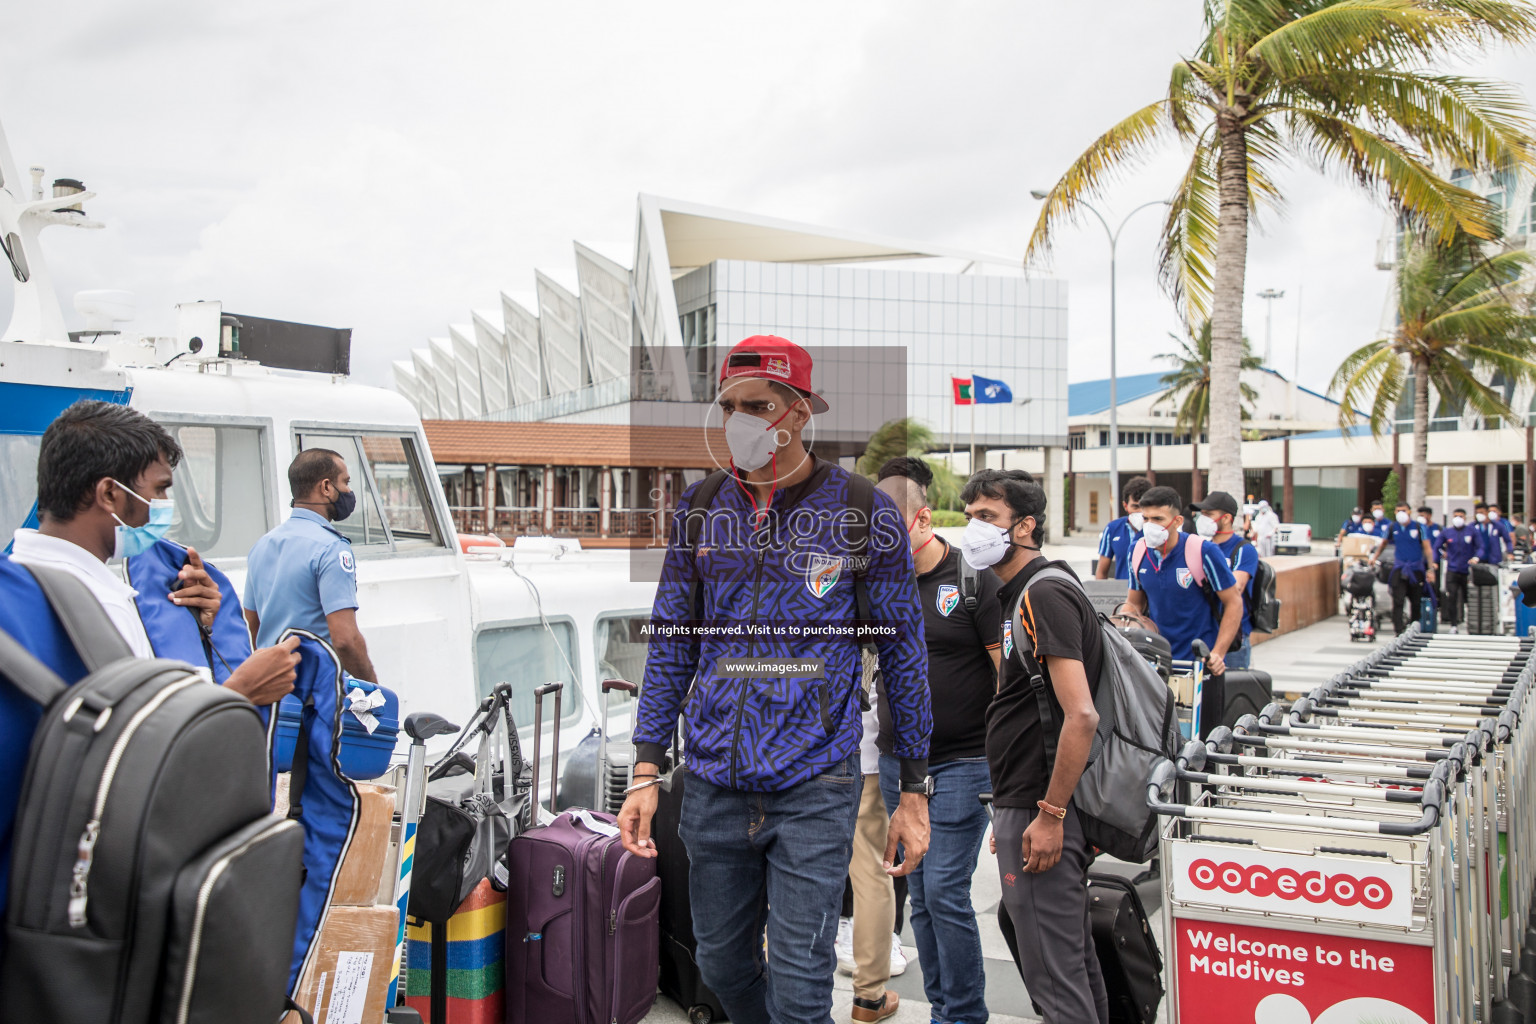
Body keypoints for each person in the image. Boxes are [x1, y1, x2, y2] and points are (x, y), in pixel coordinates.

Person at [618, 335, 932, 1024]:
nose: (738, 420)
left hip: (814, 782)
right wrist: (645, 766)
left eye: (755, 405)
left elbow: (903, 652)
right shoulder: (700, 508)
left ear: (797, 412)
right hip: (711, 782)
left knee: (800, 977)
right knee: (722, 961)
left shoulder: (860, 510)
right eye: (729, 406)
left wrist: (914, 788)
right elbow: (672, 641)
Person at [0, 400, 300, 943]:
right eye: (159, 490)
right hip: (71, 926)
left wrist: (208, 626)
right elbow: (134, 770)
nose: (163, 506)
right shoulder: (94, 605)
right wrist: (238, 693)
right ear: (110, 494)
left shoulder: (22, 581)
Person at [964, 468, 1108, 1023]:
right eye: (972, 515)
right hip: (1026, 800)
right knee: (1068, 961)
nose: (975, 528)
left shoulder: (1043, 592)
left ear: (1024, 526)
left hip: (1042, 804)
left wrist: (1046, 814)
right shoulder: (1025, 590)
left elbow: (1081, 714)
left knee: (1053, 973)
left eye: (988, 518)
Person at [869, 462, 1003, 1024]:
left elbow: (1008, 680)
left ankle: (963, 1015)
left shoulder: (972, 581)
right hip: (900, 764)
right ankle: (945, 1008)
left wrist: (1017, 777)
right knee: (919, 897)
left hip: (965, 761)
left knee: (946, 890)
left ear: (923, 519)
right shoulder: (878, 582)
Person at [244, 448, 378, 682]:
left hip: (274, 691)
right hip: (317, 697)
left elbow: (253, 625)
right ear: (326, 487)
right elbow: (345, 639)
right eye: (345, 482)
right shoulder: (332, 548)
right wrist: (374, 690)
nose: (348, 491)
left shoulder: (262, 545)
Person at [1124, 486, 1243, 679]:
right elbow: (1134, 604)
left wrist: (1218, 653)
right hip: (1154, 665)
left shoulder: (1204, 551)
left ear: (1177, 521)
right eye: (1146, 518)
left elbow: (1234, 602)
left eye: (1158, 519)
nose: (1149, 525)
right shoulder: (1136, 552)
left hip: (1199, 665)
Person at [1192, 491, 1258, 670]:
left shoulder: (1243, 550)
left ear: (1227, 518)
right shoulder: (1199, 547)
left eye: (1209, 514)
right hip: (1205, 632)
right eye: (1202, 514)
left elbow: (1236, 587)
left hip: (1234, 635)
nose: (1203, 518)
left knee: (1232, 689)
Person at [1370, 502, 1436, 635]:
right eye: (1398, 511)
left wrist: (1430, 569)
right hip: (1399, 568)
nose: (1401, 513)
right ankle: (1398, 631)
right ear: (1395, 512)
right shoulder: (1392, 527)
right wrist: (1374, 557)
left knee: (1416, 601)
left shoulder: (1419, 527)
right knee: (1398, 601)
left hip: (1415, 569)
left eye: (1404, 511)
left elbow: (1428, 549)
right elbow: (1383, 544)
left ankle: (1414, 629)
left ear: (1410, 512)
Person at [1437, 508, 1485, 634]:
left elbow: (1480, 547)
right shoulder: (1447, 532)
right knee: (1452, 597)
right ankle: (1454, 624)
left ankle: (1471, 623)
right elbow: (1436, 546)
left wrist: (1476, 558)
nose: (1458, 518)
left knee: (1469, 597)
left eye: (1461, 516)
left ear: (1465, 517)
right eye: (1456, 515)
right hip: (1452, 569)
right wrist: (1441, 554)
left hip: (1467, 570)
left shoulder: (1471, 531)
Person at [1094, 475, 1151, 580]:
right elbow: (1101, 572)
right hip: (1122, 592)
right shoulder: (1113, 529)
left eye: (1145, 507)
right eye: (1135, 506)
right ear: (1125, 506)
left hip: (1150, 594)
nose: (1140, 512)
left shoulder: (1157, 530)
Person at [1473, 502, 1510, 567]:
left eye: (1481, 513)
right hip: (1478, 559)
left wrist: (1510, 552)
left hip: (1494, 559)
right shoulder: (1473, 527)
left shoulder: (1498, 526)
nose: (1479, 515)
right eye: (1477, 513)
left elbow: (1507, 540)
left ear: (1487, 512)